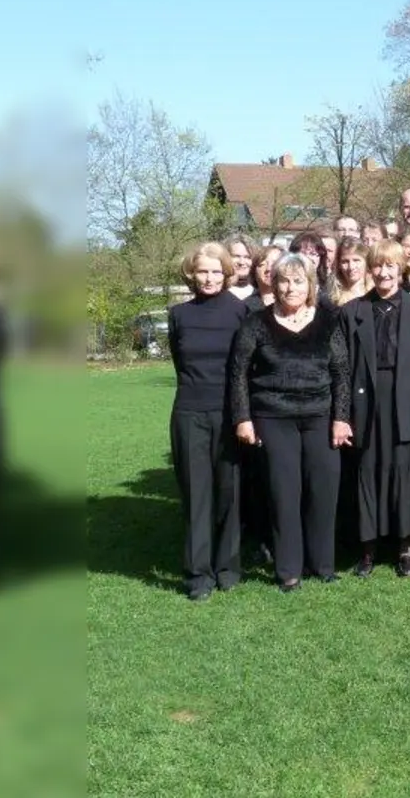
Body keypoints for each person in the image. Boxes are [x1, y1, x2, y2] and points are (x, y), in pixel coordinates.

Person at [228, 252, 353, 592]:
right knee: (284, 494)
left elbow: (341, 372)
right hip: (273, 417)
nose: (290, 287)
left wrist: (341, 418)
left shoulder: (328, 321)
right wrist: (243, 418)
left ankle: (322, 565)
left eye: (298, 280)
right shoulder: (256, 323)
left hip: (320, 417)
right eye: (284, 280)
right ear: (274, 283)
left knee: (323, 493)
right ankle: (288, 571)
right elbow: (238, 372)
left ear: (310, 284)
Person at [342, 240, 410, 579]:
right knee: (369, 471)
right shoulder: (352, 311)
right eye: (378, 266)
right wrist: (343, 415)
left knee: (404, 472)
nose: (384, 272)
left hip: (408, 403)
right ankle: (368, 550)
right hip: (366, 402)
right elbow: (342, 369)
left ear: (401, 270)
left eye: (390, 266)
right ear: (371, 269)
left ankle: (406, 549)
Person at [168, 244, 249, 600]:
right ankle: (198, 575)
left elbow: (246, 366)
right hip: (189, 412)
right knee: (196, 495)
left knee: (229, 492)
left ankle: (228, 567)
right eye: (203, 271)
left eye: (217, 271)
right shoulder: (178, 315)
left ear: (227, 273)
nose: (210, 278)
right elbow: (179, 362)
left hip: (230, 413)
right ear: (191, 274)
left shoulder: (240, 311)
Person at [333, 237, 372, 305]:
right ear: (339, 264)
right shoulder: (332, 298)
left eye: (356, 260)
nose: (351, 267)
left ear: (366, 261)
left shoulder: (377, 293)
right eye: (345, 262)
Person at [243, 244, 281, 312]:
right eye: (262, 264)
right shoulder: (244, 307)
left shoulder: (295, 302)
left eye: (275, 263)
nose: (269, 268)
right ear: (253, 270)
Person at [224, 234, 256, 301]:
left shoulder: (261, 291)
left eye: (247, 257)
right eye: (236, 256)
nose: (241, 262)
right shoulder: (216, 290)